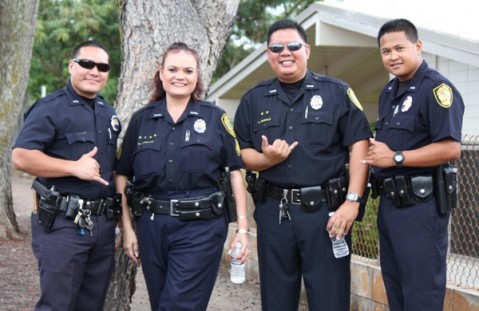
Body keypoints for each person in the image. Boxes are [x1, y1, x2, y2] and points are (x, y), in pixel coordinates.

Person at [234, 19, 372, 311]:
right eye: (277, 47)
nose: (286, 52)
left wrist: (353, 201)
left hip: (326, 214)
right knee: (276, 300)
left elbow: (360, 144)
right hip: (274, 213)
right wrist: (266, 160)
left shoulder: (336, 93)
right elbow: (243, 153)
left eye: (293, 45)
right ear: (268, 54)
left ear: (306, 50)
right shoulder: (253, 99)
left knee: (329, 299)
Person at [115, 42, 250, 311]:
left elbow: (236, 172)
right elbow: (121, 174)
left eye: (188, 70)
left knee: (178, 305)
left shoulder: (215, 118)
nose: (180, 76)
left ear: (197, 75)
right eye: (173, 69)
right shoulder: (141, 120)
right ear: (161, 73)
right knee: (161, 303)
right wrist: (127, 228)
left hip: (200, 227)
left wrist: (243, 229)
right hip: (152, 227)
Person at [362, 19, 465, 310]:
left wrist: (395, 157)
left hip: (422, 209)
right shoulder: (389, 93)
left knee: (421, 294)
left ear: (417, 46)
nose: (392, 56)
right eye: (385, 51)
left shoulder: (437, 89)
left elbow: (451, 148)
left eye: (399, 48)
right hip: (391, 206)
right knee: (395, 290)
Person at [12, 41, 122, 311]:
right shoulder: (51, 107)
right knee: (57, 305)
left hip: (102, 225)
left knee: (91, 305)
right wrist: (72, 167)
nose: (94, 71)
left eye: (102, 66)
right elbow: (21, 157)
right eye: (87, 64)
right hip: (63, 225)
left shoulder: (108, 113)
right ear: (72, 66)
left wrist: (116, 224)